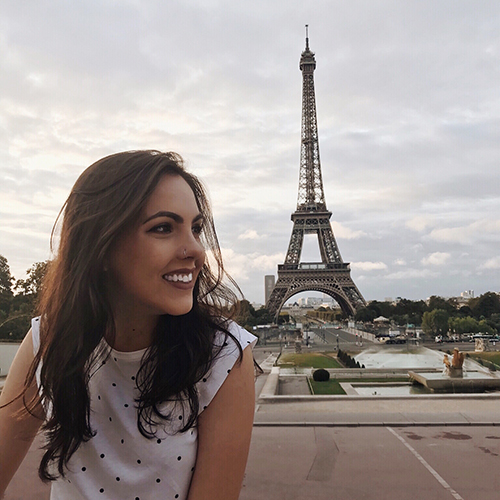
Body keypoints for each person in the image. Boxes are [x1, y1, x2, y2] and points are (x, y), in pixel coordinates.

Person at [0, 150, 257, 500]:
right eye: (164, 228)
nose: (196, 250)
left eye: (195, 228)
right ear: (101, 247)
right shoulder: (48, 340)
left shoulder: (224, 357)